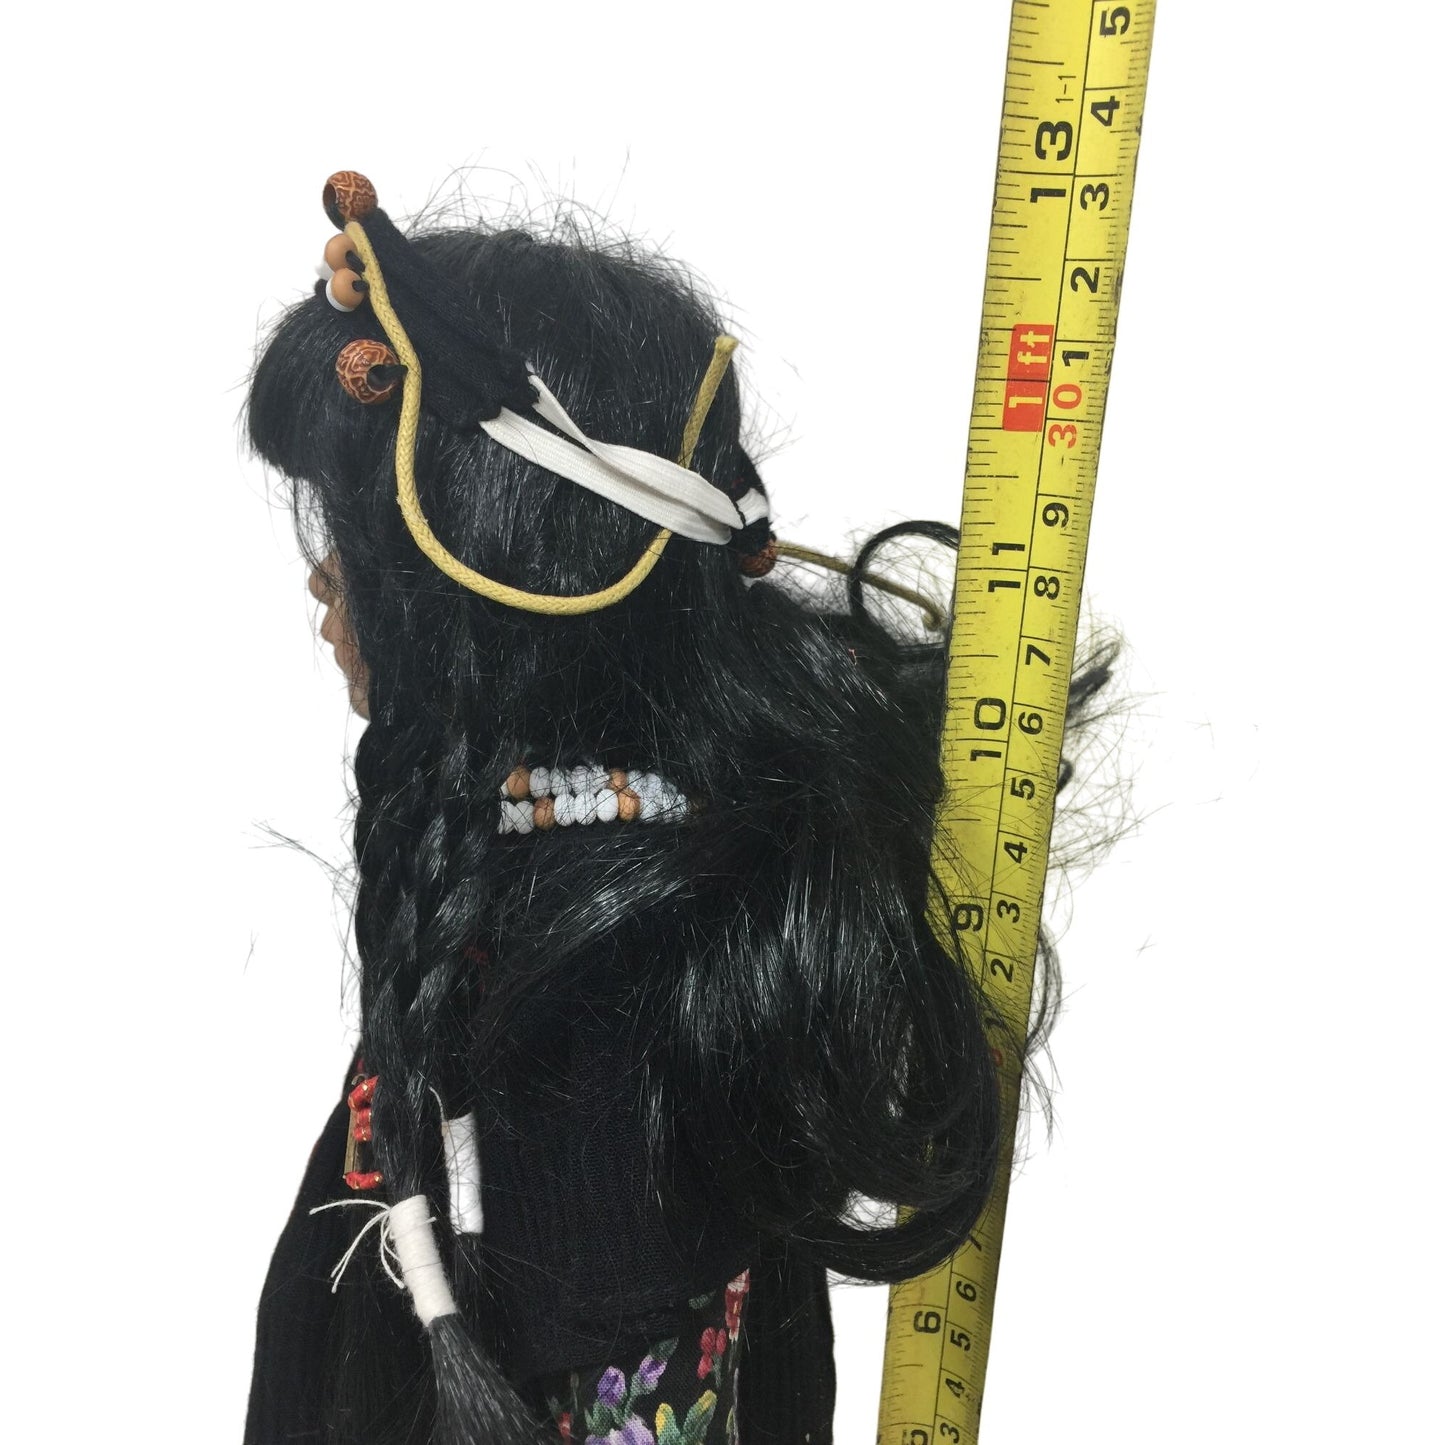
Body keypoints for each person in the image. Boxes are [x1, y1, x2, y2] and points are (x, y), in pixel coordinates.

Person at [241, 171, 1109, 1445]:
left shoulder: (596, 1004)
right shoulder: (567, 878)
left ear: (506, 572)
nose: (326, 582)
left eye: (359, 543)